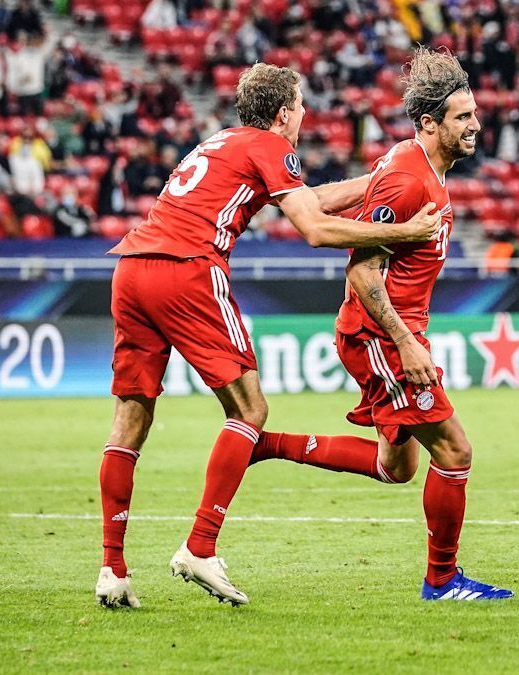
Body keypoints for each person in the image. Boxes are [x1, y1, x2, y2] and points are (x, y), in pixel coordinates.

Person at [94, 63, 443, 609]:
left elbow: (311, 201)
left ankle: (113, 569)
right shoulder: (272, 146)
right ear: (284, 114)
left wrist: (376, 183)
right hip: (187, 269)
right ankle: (200, 547)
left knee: (130, 419)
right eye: (301, 106)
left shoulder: (222, 142)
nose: (305, 115)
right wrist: (406, 230)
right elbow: (316, 229)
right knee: (249, 410)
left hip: (132, 268)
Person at [248, 47, 513, 602]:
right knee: (456, 452)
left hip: (394, 332)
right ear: (429, 123)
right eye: (462, 117)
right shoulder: (408, 182)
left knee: (397, 468)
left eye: (474, 114)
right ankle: (442, 581)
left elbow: (346, 205)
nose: (475, 125)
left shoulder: (417, 168)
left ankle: (268, 444)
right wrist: (405, 344)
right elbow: (364, 276)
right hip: (379, 335)